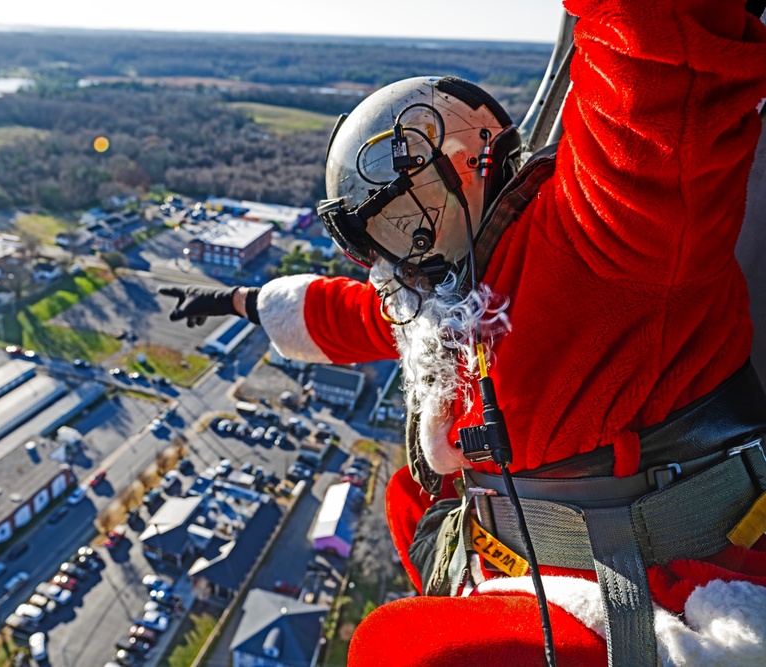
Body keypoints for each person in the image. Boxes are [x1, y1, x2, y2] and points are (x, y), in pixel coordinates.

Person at [160, 0, 766, 663]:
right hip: (534, 551)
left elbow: (655, 67)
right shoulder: (454, 293)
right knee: (406, 500)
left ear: (464, 169)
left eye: (403, 222)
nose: (400, 258)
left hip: (651, 579)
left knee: (399, 649)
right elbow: (365, 316)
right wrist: (245, 302)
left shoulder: (610, 232)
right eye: (383, 238)